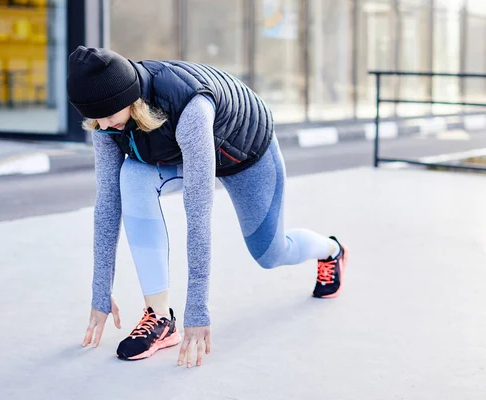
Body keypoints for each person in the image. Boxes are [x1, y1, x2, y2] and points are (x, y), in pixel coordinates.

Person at [66, 46, 349, 368]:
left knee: (271, 254)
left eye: (109, 117)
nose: (103, 127)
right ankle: (160, 318)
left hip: (245, 155)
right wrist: (100, 294)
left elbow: (198, 215)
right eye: (95, 119)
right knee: (131, 177)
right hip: (179, 154)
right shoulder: (105, 121)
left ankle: (331, 249)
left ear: (133, 101)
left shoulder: (190, 108)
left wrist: (197, 311)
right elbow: (106, 203)